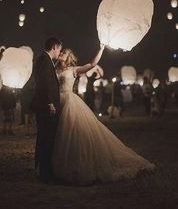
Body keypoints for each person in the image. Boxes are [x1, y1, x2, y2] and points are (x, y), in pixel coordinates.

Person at [52, 44, 154, 185]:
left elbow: (92, 64)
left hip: (69, 101)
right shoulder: (54, 68)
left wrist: (101, 49)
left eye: (64, 52)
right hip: (56, 102)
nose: (62, 53)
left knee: (70, 133)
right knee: (57, 134)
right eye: (61, 51)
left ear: (69, 57)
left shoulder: (73, 70)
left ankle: (73, 165)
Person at [31, 37, 62, 183]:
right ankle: (45, 173)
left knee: (43, 138)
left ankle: (41, 169)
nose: (59, 52)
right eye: (59, 49)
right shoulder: (44, 60)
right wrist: (50, 102)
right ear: (54, 47)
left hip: (43, 105)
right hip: (45, 106)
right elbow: (45, 83)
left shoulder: (44, 59)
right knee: (46, 139)